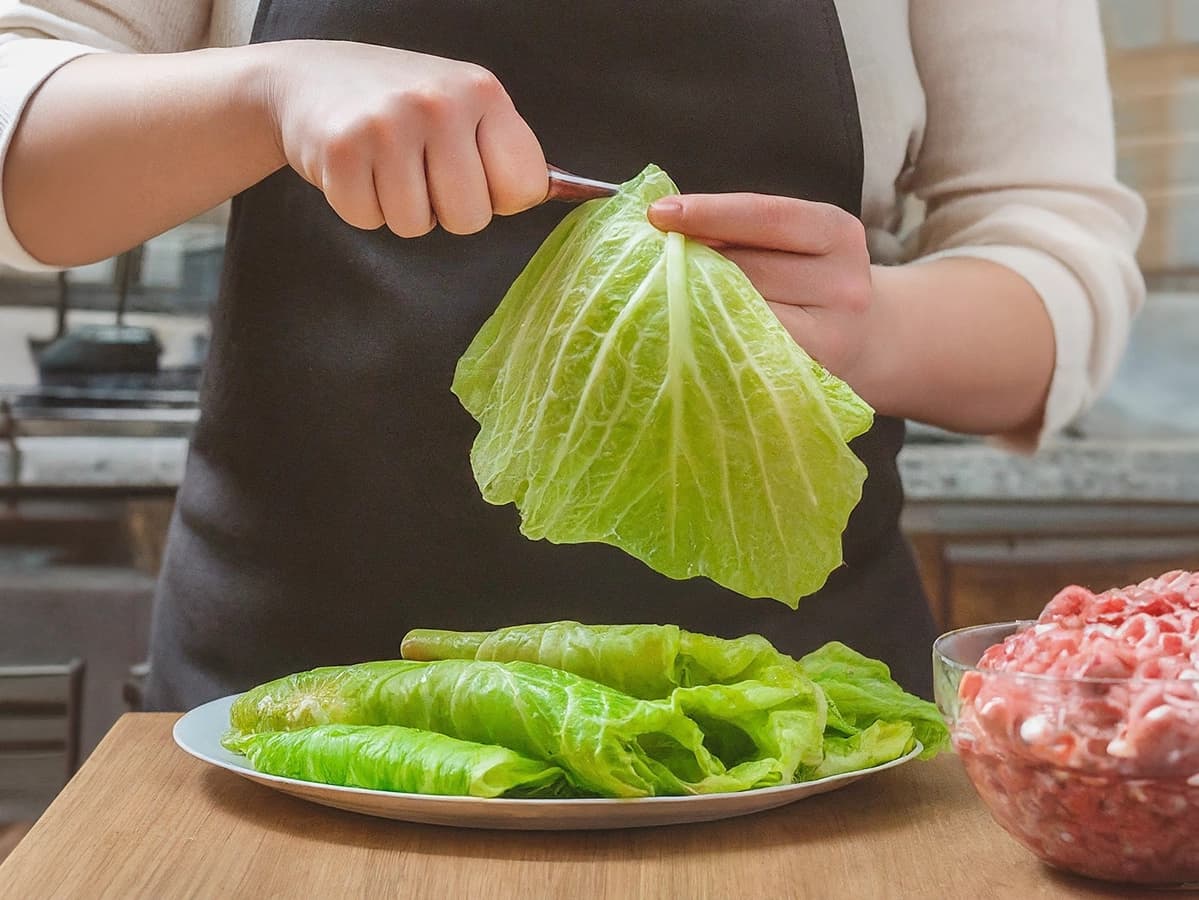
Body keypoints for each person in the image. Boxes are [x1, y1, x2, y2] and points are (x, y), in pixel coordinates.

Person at [0, 1, 1144, 702]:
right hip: (295, 703)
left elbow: (1053, 259)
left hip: (780, 721)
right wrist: (264, 92)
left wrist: (873, 328)